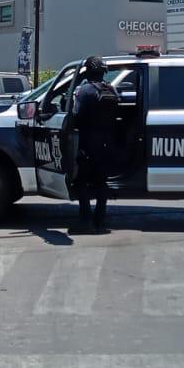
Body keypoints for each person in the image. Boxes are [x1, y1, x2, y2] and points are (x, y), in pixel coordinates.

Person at [65, 55, 120, 234]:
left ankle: (85, 220)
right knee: (101, 182)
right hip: (108, 144)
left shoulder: (84, 91)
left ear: (88, 70)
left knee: (81, 182)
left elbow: (75, 114)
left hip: (88, 144)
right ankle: (100, 219)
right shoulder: (112, 90)